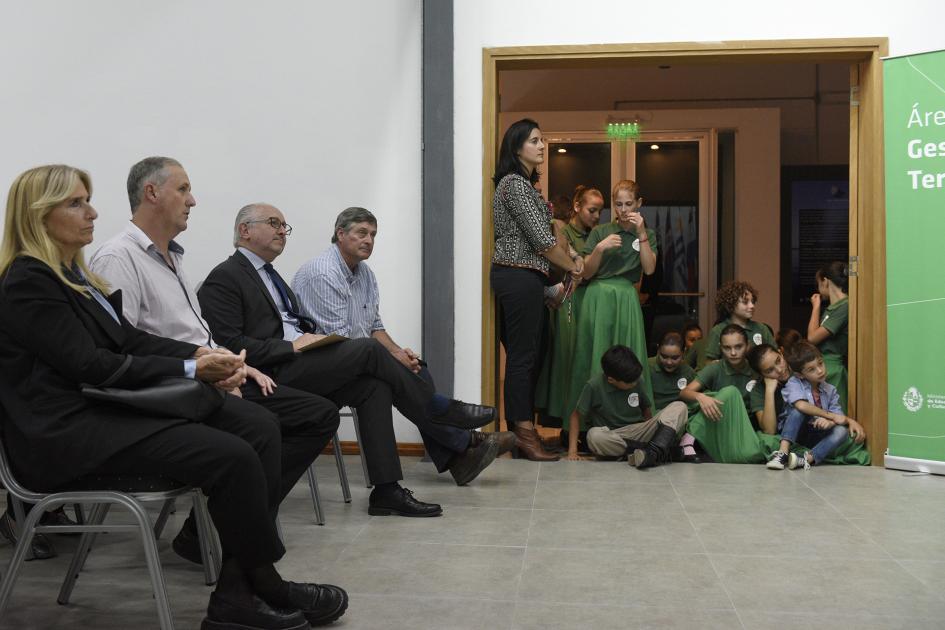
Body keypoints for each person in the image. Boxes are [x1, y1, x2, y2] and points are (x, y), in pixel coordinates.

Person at [0, 165, 347, 629]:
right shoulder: (29, 281)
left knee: (258, 426)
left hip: (101, 414)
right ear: (39, 216)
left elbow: (130, 342)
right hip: (66, 435)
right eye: (76, 203)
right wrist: (191, 368)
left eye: (87, 200)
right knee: (232, 455)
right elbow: (91, 365)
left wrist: (206, 356)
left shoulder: (73, 278)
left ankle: (242, 588)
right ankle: (258, 584)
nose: (92, 212)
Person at [89, 157, 340, 561]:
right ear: (152, 193)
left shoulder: (173, 258)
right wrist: (201, 369)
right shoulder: (119, 258)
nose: (194, 200)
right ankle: (250, 550)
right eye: (183, 189)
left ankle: (224, 531)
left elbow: (198, 335)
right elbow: (124, 347)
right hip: (174, 389)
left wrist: (235, 363)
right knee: (266, 424)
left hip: (209, 376)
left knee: (319, 414)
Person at [198, 202, 493, 517]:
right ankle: (438, 409)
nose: (282, 231)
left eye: (285, 226)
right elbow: (232, 345)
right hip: (269, 374)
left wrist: (308, 341)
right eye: (274, 223)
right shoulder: (225, 277)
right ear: (245, 230)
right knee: (367, 349)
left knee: (373, 387)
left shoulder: (271, 276)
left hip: (301, 362)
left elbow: (306, 324)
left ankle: (386, 490)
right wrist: (293, 347)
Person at [291, 207, 514, 486]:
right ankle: (462, 434)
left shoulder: (366, 274)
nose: (369, 240)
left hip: (358, 357)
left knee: (417, 369)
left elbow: (374, 327)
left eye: (373, 234)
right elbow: (343, 339)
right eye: (362, 233)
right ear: (340, 234)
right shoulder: (321, 273)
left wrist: (398, 353)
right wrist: (390, 360)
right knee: (395, 379)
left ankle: (460, 456)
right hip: (324, 365)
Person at [490, 118, 581, 461]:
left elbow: (552, 235)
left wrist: (571, 256)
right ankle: (523, 434)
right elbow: (543, 243)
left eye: (543, 140)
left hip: (529, 278)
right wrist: (572, 266)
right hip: (516, 275)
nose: (542, 146)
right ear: (516, 148)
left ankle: (525, 433)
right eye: (534, 141)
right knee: (523, 357)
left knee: (531, 356)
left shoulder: (528, 188)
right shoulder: (514, 184)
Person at [566, 180, 657, 419]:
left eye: (629, 204)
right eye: (618, 204)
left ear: (639, 203)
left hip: (627, 297)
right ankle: (588, 423)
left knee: (629, 354)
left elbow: (648, 270)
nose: (624, 209)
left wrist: (641, 233)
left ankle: (631, 419)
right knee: (593, 356)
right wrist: (599, 249)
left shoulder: (647, 234)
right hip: (598, 297)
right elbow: (586, 272)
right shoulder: (600, 231)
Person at [536, 185, 604, 432]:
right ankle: (564, 423)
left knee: (584, 363)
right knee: (566, 362)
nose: (596, 217)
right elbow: (557, 261)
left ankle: (583, 425)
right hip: (566, 303)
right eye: (592, 210)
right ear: (577, 207)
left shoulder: (596, 235)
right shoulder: (561, 228)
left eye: (599, 211)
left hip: (588, 306)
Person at [747, 343, 869, 466]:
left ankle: (806, 459)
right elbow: (771, 429)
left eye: (778, 361)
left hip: (815, 428)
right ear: (762, 375)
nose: (779, 370)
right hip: (792, 430)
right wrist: (769, 389)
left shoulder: (815, 378)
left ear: (781, 353)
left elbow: (836, 412)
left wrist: (839, 420)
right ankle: (782, 453)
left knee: (841, 431)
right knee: (798, 411)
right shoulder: (794, 382)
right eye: (770, 370)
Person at [568, 346, 687, 468]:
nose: (634, 383)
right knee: (593, 436)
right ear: (611, 380)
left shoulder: (636, 379)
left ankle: (650, 452)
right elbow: (576, 416)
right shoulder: (594, 386)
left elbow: (646, 410)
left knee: (679, 406)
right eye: (630, 382)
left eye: (635, 380)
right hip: (613, 435)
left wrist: (653, 429)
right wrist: (572, 451)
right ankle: (657, 452)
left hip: (638, 430)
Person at [680, 325, 764, 463]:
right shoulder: (716, 368)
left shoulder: (756, 370)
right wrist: (701, 397)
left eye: (738, 347)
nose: (733, 353)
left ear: (747, 345)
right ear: (720, 347)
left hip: (743, 428)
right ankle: (688, 439)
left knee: (754, 455)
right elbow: (684, 392)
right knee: (730, 391)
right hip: (718, 426)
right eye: (727, 348)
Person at [807, 261, 850, 410]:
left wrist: (816, 307)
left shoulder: (845, 306)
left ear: (825, 281)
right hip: (824, 365)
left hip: (832, 368)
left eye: (818, 282)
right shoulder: (834, 308)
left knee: (834, 415)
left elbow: (812, 338)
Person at [704, 280, 775, 361]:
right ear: (731, 304)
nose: (752, 306)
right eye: (745, 302)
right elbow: (709, 362)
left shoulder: (762, 329)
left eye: (752, 301)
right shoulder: (718, 330)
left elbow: (774, 355)